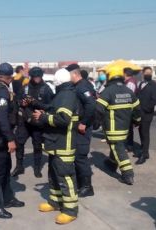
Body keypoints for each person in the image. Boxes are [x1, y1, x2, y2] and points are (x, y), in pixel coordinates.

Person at [33, 68, 79, 225]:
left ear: (58, 82)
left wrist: (43, 117)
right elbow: (55, 110)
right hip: (55, 143)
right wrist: (44, 111)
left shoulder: (67, 95)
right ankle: (55, 202)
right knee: (53, 175)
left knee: (66, 177)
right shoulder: (62, 94)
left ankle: (70, 210)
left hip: (63, 144)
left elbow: (63, 119)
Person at [0, 63, 24, 219]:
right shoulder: (1, 91)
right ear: (8, 77)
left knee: (6, 169)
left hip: (0, 136)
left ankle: (8, 198)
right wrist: (10, 139)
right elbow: (2, 118)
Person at [97, 66, 141, 185]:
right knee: (117, 147)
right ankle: (111, 163)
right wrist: (137, 121)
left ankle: (128, 175)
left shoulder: (108, 91)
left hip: (112, 128)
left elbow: (98, 109)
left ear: (110, 77)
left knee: (119, 150)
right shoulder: (128, 91)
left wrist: (95, 123)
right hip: (125, 128)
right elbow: (137, 108)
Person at [11, 67, 54, 178]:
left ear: (41, 76)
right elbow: (17, 101)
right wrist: (22, 103)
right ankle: (19, 166)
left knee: (37, 146)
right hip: (24, 121)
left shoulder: (46, 89)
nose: (36, 78)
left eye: (38, 76)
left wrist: (35, 103)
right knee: (19, 143)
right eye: (34, 76)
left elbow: (50, 107)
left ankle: (37, 168)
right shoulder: (25, 87)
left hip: (38, 122)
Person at [67, 64, 96, 197]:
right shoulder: (79, 86)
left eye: (68, 75)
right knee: (77, 156)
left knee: (80, 156)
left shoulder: (82, 86)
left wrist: (84, 123)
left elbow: (91, 104)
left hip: (83, 128)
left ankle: (87, 187)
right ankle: (80, 183)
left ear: (74, 74)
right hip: (78, 126)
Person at [136, 67, 156, 165]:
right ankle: (143, 149)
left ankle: (144, 154)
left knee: (145, 132)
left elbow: (155, 100)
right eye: (146, 73)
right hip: (139, 112)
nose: (148, 74)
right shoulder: (141, 83)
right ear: (143, 74)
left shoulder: (154, 85)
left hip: (147, 113)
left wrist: (145, 109)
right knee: (140, 130)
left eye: (150, 73)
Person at [124, 68, 138, 153]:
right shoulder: (129, 82)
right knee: (128, 128)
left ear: (125, 74)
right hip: (128, 108)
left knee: (129, 129)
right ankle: (128, 145)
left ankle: (129, 146)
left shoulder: (130, 83)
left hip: (129, 108)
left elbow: (129, 96)